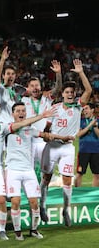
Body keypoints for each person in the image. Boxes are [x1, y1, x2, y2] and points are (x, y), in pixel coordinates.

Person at [0, 103, 55, 240]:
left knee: (1, 200)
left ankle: (2, 230)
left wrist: (42, 117)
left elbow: (23, 124)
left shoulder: (3, 127)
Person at [6, 102, 74, 240]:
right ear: (12, 114)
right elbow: (18, 126)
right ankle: (17, 231)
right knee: (15, 202)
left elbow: (46, 135)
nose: (21, 113)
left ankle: (34, 230)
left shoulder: (29, 130)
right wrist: (42, 116)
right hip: (13, 171)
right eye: (18, 111)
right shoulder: (8, 127)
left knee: (34, 202)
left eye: (23, 111)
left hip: (28, 171)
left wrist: (63, 138)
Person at [40, 59, 92, 227]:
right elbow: (45, 132)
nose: (70, 94)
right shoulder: (54, 108)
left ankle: (66, 210)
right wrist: (51, 136)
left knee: (67, 180)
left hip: (68, 149)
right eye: (67, 92)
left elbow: (89, 90)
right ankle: (42, 206)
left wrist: (81, 72)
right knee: (46, 178)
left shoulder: (78, 106)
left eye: (72, 92)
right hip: (52, 147)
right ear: (62, 94)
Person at [20, 60, 63, 181]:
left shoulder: (46, 97)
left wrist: (58, 73)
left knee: (46, 170)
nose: (35, 88)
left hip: (44, 140)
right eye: (32, 86)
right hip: (28, 140)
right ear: (27, 88)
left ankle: (44, 194)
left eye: (37, 85)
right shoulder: (23, 100)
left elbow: (58, 88)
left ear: (41, 86)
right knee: (29, 170)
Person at [74, 103, 99, 187]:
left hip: (96, 151)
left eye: (86, 109)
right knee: (79, 173)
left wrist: (95, 126)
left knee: (97, 174)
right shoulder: (81, 121)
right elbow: (79, 134)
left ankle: (95, 194)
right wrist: (90, 125)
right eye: (83, 109)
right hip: (83, 151)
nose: (84, 111)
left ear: (92, 110)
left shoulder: (98, 121)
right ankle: (77, 193)